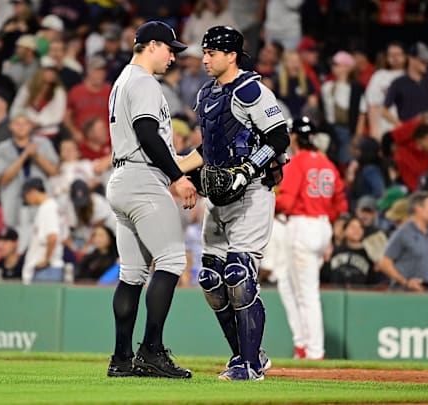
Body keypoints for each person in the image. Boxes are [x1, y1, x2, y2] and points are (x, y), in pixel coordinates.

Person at [178, 26, 290, 380]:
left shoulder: (250, 89)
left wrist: (248, 168)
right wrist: (182, 169)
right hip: (218, 195)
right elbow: (210, 149)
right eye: (205, 52)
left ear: (232, 56)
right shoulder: (207, 93)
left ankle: (252, 366)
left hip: (252, 192)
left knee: (239, 275)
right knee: (211, 279)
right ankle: (244, 355)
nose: (205, 58)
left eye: (212, 52)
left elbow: (279, 137)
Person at [105, 20, 196, 380]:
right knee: (172, 261)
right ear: (152, 45)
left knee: (131, 274)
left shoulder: (123, 80)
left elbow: (145, 140)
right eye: (170, 48)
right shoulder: (143, 81)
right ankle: (152, 351)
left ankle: (121, 358)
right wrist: (177, 179)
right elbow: (146, 132)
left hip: (123, 178)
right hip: (144, 179)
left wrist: (190, 159)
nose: (173, 56)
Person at [275, 116, 348, 361]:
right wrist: (326, 225)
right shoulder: (327, 164)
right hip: (322, 226)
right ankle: (303, 345)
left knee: (306, 293)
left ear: (294, 136)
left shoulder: (298, 162)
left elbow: (285, 201)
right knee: (286, 281)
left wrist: (268, 204)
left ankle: (313, 351)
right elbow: (341, 203)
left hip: (302, 226)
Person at [377, 191, 428, 291]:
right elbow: (384, 263)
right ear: (419, 209)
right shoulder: (403, 233)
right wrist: (405, 282)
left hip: (424, 294)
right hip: (403, 294)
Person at [21, 177, 64, 283]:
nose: (26, 199)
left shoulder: (48, 208)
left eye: (26, 195)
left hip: (47, 270)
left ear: (33, 192)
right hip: (47, 269)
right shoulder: (49, 206)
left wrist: (46, 260)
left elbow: (52, 237)